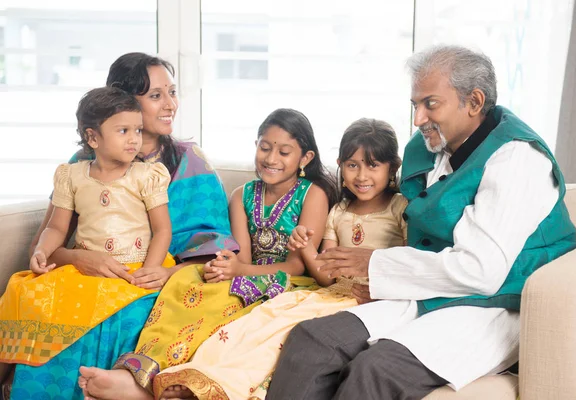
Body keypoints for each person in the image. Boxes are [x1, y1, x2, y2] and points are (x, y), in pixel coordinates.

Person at [267, 45, 576, 400]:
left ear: (474, 102)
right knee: (311, 341)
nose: (417, 118)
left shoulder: (517, 159)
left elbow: (481, 271)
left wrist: (378, 265)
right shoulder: (433, 147)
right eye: (415, 105)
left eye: (430, 104)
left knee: (376, 371)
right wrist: (393, 282)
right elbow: (426, 240)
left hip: (499, 300)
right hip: (433, 287)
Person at [1, 52, 238, 400]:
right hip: (86, 271)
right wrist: (79, 259)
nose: (170, 104)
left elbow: (214, 253)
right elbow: (51, 237)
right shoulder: (81, 165)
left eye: (172, 92)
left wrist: (162, 273)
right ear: (124, 102)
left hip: (160, 274)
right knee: (29, 294)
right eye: (156, 95)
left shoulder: (188, 162)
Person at [77, 108, 338, 400]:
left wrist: (237, 271)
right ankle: (143, 375)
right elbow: (243, 258)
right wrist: (226, 265)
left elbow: (296, 267)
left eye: (284, 152)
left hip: (290, 283)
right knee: (189, 278)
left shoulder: (312, 194)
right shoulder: (242, 195)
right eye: (265, 147)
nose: (271, 158)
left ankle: (176, 385)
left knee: (224, 302)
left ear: (305, 159)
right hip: (248, 277)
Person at [147, 118, 409, 400]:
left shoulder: (400, 209)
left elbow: (410, 261)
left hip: (362, 295)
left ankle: (222, 386)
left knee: (284, 327)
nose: (361, 176)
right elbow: (325, 275)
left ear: (392, 168)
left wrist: (386, 289)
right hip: (330, 292)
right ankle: (197, 375)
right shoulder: (339, 212)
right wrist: (305, 246)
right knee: (259, 318)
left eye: (372, 165)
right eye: (352, 165)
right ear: (341, 165)